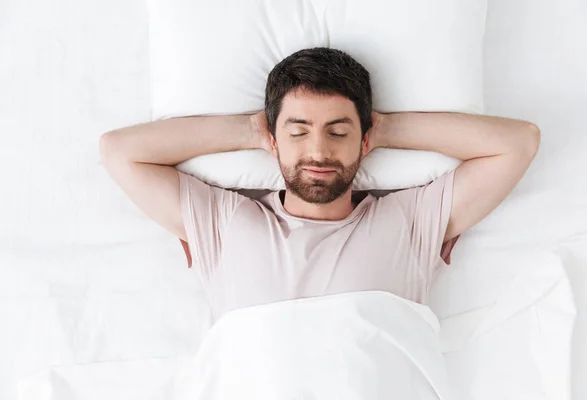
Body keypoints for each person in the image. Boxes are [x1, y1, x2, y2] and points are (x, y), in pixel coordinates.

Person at [99, 47, 540, 325]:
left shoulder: (410, 220)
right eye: (298, 131)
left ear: (364, 140)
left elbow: (518, 142)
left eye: (338, 131)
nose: (319, 151)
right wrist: (252, 130)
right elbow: (119, 150)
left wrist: (381, 127)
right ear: (273, 140)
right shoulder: (226, 220)